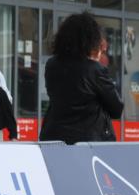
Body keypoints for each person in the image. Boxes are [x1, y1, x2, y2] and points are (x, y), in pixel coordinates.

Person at [40, 12, 123, 144]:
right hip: (87, 143)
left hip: (54, 138)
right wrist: (95, 61)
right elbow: (116, 109)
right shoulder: (94, 69)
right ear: (90, 41)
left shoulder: (51, 65)